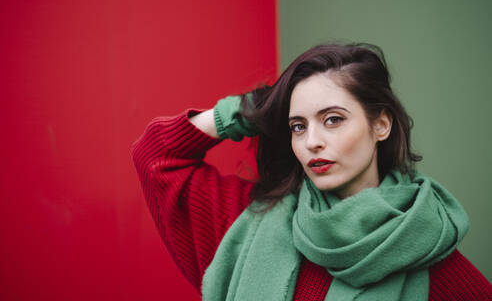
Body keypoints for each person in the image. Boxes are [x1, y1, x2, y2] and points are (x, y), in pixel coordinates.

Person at [131, 43, 491, 300]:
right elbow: (155, 155)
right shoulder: (244, 221)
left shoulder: (430, 257)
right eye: (298, 126)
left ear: (381, 125)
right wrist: (252, 108)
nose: (311, 142)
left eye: (333, 120)